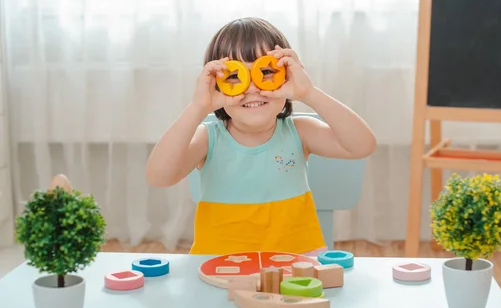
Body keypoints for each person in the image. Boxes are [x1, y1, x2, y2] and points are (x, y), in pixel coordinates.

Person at [146, 17, 377, 256]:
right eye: (235, 76)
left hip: (296, 267)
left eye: (265, 72)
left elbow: (362, 145)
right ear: (216, 84)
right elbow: (159, 176)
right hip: (221, 268)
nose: (252, 87)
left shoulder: (301, 132)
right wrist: (198, 106)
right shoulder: (207, 138)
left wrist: (309, 93)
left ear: (286, 75)